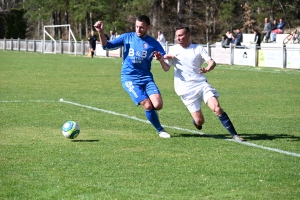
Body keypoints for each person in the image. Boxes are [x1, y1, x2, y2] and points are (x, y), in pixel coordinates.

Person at [158, 26, 243, 141]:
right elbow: (166, 68)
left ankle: (235, 135)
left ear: (188, 35)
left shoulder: (198, 48)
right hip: (186, 90)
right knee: (199, 121)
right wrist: (161, 60)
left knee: (217, 108)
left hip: (201, 85)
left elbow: (212, 62)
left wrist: (208, 68)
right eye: (177, 36)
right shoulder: (173, 50)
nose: (178, 38)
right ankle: (196, 120)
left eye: (181, 35)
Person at [94, 15, 171, 138]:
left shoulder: (153, 43)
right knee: (147, 105)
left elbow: (167, 67)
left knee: (158, 105)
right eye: (136, 27)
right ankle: (160, 130)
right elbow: (106, 46)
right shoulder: (127, 37)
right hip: (129, 78)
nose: (138, 30)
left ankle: (151, 114)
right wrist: (101, 32)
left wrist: (161, 59)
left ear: (148, 27)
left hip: (146, 78)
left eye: (141, 27)